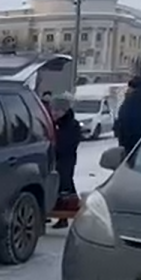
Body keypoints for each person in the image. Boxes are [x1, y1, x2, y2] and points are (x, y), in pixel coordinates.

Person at [49, 93, 81, 229]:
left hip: (65, 159)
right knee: (58, 185)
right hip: (54, 158)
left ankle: (66, 215)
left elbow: (68, 143)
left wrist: (55, 147)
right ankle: (56, 213)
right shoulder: (54, 123)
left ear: (65, 111)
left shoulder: (71, 125)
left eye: (57, 110)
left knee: (64, 184)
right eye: (53, 110)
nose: (54, 113)